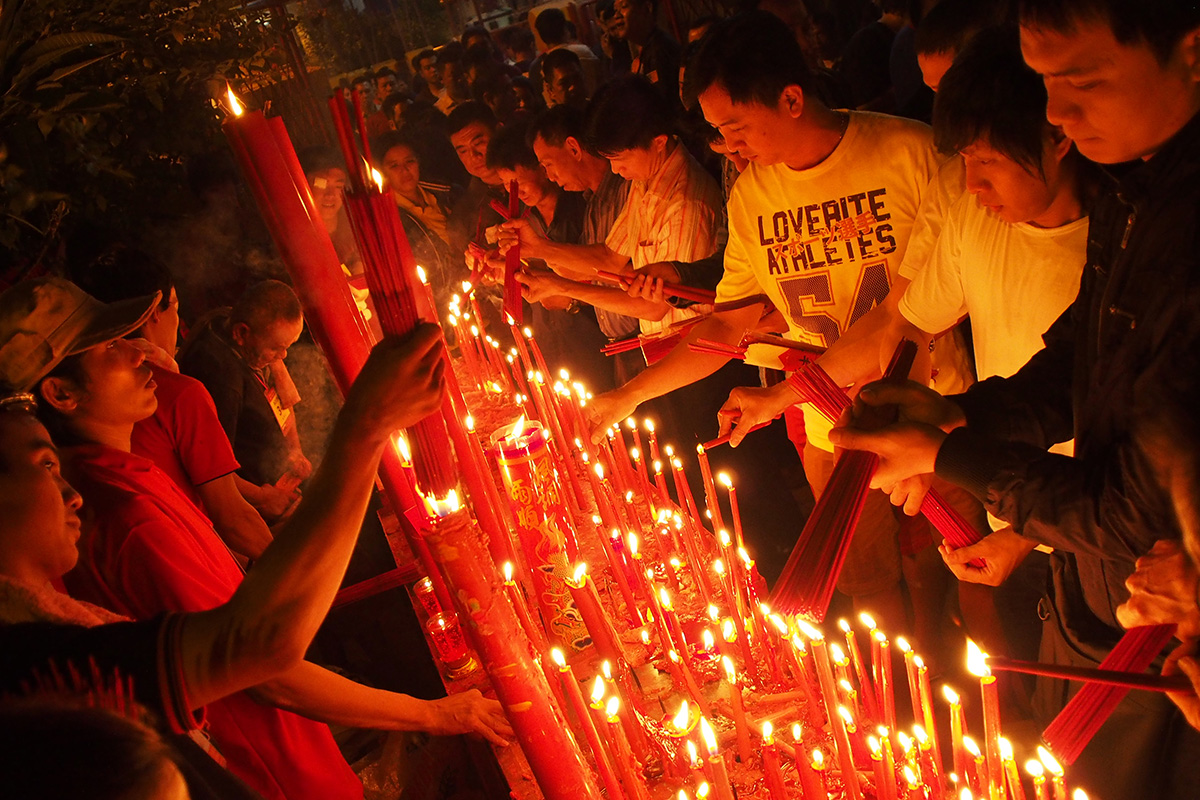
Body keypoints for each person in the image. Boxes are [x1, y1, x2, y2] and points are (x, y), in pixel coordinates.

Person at [829, 1, 1200, 796]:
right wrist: (960, 414)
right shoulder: (1133, 193)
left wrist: (945, 454)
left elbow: (1130, 512)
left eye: (1081, 80)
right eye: (1045, 82)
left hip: (1158, 624)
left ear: (1192, 53)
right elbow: (1080, 362)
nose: (1057, 110)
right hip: (1096, 592)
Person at [0, 277, 508, 797]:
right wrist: (367, 424)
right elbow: (264, 663)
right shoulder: (124, 516)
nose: (142, 354)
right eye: (113, 346)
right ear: (60, 393)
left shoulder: (130, 472)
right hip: (278, 773)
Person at [587, 12, 941, 633]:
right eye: (718, 133)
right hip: (829, 423)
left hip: (937, 404)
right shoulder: (753, 196)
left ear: (792, 99)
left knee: (950, 567)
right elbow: (731, 327)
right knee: (864, 583)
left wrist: (777, 395)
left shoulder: (911, 153)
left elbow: (915, 309)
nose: (727, 147)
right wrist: (626, 396)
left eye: (733, 128)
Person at [73, 247, 274, 562]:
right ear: (154, 310)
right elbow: (233, 519)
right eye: (176, 306)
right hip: (191, 558)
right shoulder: (172, 392)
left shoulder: (89, 403)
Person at [179, 281, 310, 523]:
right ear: (241, 333)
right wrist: (262, 498)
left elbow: (283, 397)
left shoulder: (226, 319)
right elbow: (212, 470)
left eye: (287, 347)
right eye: (277, 348)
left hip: (275, 470)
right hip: (252, 498)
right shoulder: (222, 382)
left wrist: (295, 449)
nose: (283, 356)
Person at [527, 105, 636, 390]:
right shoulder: (593, 202)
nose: (549, 176)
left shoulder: (626, 190)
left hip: (647, 342)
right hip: (621, 347)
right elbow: (593, 270)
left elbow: (616, 266)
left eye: (548, 163)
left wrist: (537, 249)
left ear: (573, 148)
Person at [375, 130, 460, 308]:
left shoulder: (445, 194)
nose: (405, 170)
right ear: (383, 171)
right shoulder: (388, 218)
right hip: (436, 303)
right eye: (394, 166)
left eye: (409, 161)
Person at [610, 0, 681, 104]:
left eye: (624, 7)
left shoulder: (662, 50)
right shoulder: (646, 51)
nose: (616, 15)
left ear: (647, 8)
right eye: (615, 10)